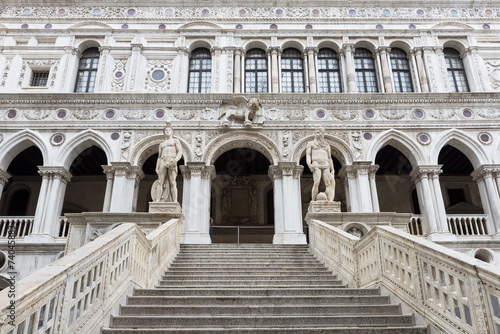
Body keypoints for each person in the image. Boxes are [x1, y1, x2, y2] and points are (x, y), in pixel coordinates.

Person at [151, 123, 183, 202]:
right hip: (163, 160)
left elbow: (180, 152)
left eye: (169, 130)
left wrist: (175, 160)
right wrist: (156, 167)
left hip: (172, 159)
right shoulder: (161, 144)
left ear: (172, 132)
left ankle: (175, 201)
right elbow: (159, 157)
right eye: (166, 130)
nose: (167, 131)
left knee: (172, 182)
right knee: (160, 182)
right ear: (164, 132)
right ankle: (157, 200)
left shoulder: (176, 141)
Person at [306, 127, 335, 201]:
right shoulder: (311, 144)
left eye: (320, 132)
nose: (318, 134)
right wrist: (309, 164)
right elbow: (308, 155)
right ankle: (313, 201)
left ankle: (330, 200)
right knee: (316, 182)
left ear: (323, 134)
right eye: (317, 132)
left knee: (328, 183)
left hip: (326, 164)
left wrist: (332, 169)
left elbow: (329, 157)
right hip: (316, 164)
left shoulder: (326, 145)